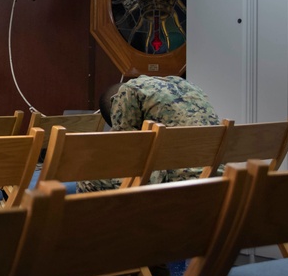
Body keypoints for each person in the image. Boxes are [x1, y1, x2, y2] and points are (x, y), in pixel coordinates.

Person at [77, 74, 221, 193]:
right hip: (218, 175)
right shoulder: (184, 84)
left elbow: (123, 151)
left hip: (180, 182)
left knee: (88, 176)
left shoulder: (126, 92)